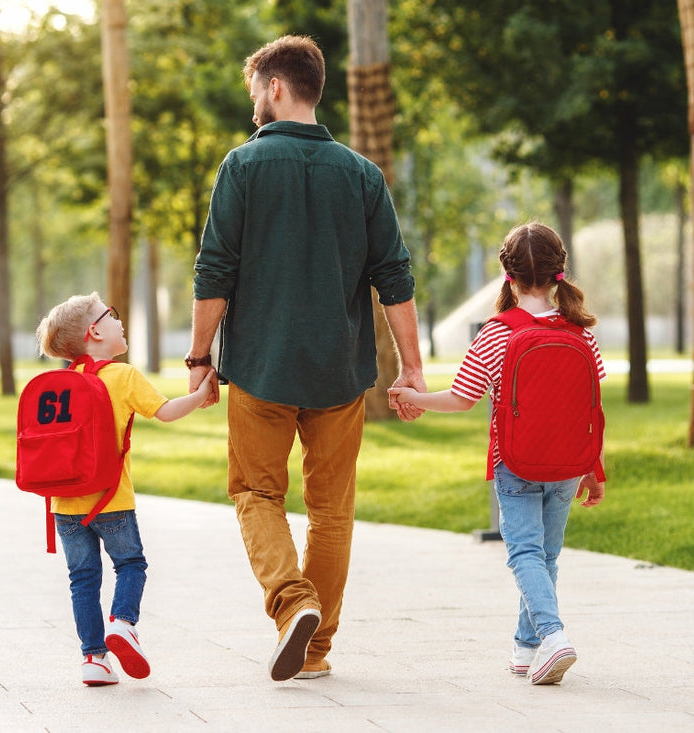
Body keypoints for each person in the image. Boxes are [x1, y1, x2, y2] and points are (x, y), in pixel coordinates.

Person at [186, 35, 426, 683]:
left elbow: (215, 271)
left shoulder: (242, 166)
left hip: (261, 368)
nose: (254, 102)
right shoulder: (361, 173)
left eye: (255, 90)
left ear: (276, 88)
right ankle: (315, 650)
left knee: (256, 491)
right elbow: (394, 276)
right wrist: (412, 368)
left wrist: (199, 355)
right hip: (338, 373)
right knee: (331, 509)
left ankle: (294, 602)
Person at [388, 222, 607, 686]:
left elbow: (462, 398)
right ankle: (526, 648)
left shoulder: (497, 332)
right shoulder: (581, 331)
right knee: (545, 554)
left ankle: (552, 635)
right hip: (569, 463)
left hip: (517, 462)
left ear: (507, 273)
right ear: (559, 272)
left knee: (525, 551)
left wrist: (411, 398)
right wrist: (593, 467)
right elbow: (590, 407)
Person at [36, 292, 216, 687]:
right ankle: (123, 623)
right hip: (110, 499)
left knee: (82, 580)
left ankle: (93, 659)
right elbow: (167, 412)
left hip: (64, 505)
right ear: (95, 331)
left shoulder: (59, 384)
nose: (120, 321)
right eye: (111, 315)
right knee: (131, 565)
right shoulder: (123, 376)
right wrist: (203, 393)